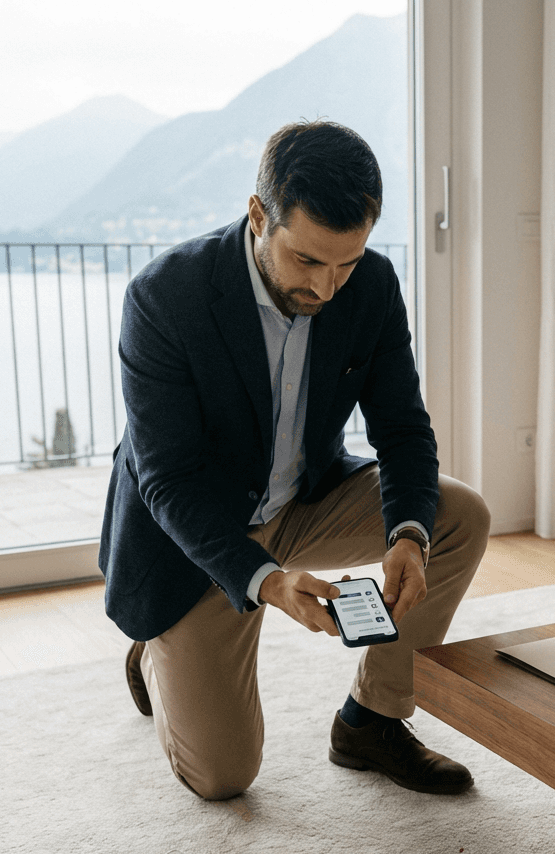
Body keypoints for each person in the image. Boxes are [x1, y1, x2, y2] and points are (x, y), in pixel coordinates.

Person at [99, 120, 491, 801]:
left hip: (303, 498)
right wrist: (270, 582)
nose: (329, 286)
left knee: (457, 516)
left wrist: (406, 537)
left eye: (347, 261)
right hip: (198, 537)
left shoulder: (369, 284)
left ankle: (371, 719)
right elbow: (168, 481)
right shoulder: (166, 297)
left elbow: (402, 426)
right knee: (222, 777)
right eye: (308, 261)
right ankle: (157, 650)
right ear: (259, 215)